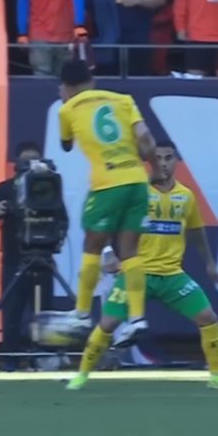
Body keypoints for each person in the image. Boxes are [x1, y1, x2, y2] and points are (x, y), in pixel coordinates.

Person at [68, 141, 218, 390]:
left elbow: (196, 231)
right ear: (150, 162)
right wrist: (108, 253)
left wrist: (210, 264)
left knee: (208, 317)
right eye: (158, 158)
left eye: (169, 158)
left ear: (176, 161)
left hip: (172, 275)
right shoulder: (137, 193)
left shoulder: (186, 196)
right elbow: (108, 223)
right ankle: (81, 376)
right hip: (137, 273)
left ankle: (216, 377)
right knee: (108, 323)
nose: (164, 164)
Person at [57, 60, 157, 345]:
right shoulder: (124, 100)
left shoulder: (67, 109)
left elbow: (66, 144)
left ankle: (81, 314)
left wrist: (68, 103)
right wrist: (154, 168)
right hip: (137, 181)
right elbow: (145, 138)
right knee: (130, 252)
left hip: (107, 184)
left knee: (93, 245)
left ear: (66, 87)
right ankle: (137, 319)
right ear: (91, 80)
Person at [0, 141, 68, 371]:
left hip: (43, 259)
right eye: (26, 160)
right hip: (14, 260)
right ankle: (10, 360)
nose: (30, 164)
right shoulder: (6, 188)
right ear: (17, 163)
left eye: (35, 159)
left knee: (43, 314)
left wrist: (58, 237)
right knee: (12, 312)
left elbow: (62, 218)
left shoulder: (50, 187)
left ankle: (41, 358)